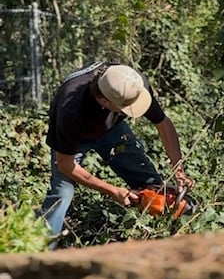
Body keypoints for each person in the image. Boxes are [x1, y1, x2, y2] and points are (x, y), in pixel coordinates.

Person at [40, 61, 195, 248]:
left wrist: (178, 170)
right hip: (76, 137)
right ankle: (41, 252)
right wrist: (112, 191)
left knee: (148, 181)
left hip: (111, 129)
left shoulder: (132, 84)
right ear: (105, 101)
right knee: (61, 194)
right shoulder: (71, 110)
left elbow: (163, 123)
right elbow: (65, 164)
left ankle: (173, 231)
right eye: (127, 106)